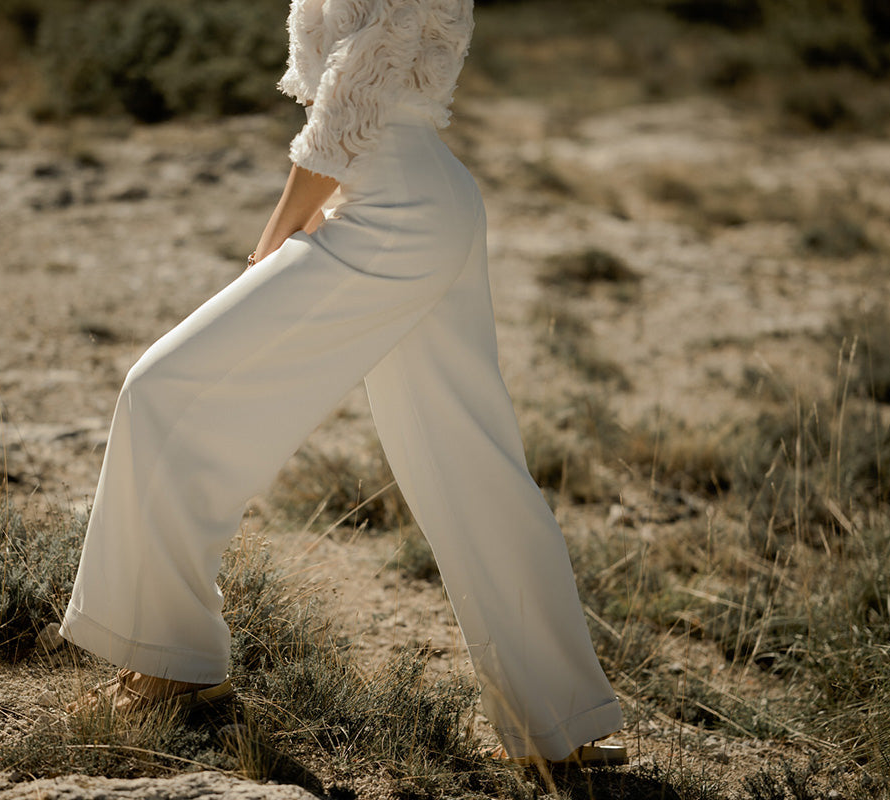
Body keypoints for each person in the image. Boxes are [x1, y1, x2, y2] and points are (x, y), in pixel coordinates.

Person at [59, 0, 625, 767]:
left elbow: (351, 102)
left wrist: (273, 241)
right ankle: (558, 729)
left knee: (162, 390)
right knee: (470, 463)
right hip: (424, 202)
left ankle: (168, 668)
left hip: (390, 210)